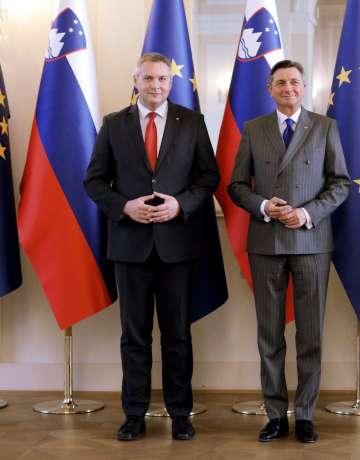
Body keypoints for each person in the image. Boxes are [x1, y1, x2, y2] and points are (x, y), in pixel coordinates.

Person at [84, 52, 220, 441]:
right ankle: (134, 414)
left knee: (177, 335)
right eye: (148, 79)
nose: (155, 85)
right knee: (134, 336)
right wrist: (123, 206)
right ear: (136, 80)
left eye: (162, 79)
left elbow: (208, 176)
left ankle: (180, 413)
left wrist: (181, 204)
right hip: (130, 246)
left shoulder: (191, 122)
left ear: (170, 83)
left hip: (178, 246)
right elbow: (94, 181)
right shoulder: (114, 125)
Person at [228, 59, 350, 444]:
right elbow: (236, 186)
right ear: (270, 88)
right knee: (270, 335)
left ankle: (307, 415)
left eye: (295, 82)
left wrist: (306, 213)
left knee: (311, 335)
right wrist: (264, 207)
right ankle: (275, 415)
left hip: (312, 243)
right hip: (266, 244)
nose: (288, 88)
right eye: (280, 82)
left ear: (304, 87)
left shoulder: (325, 127)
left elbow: (341, 183)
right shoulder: (254, 129)